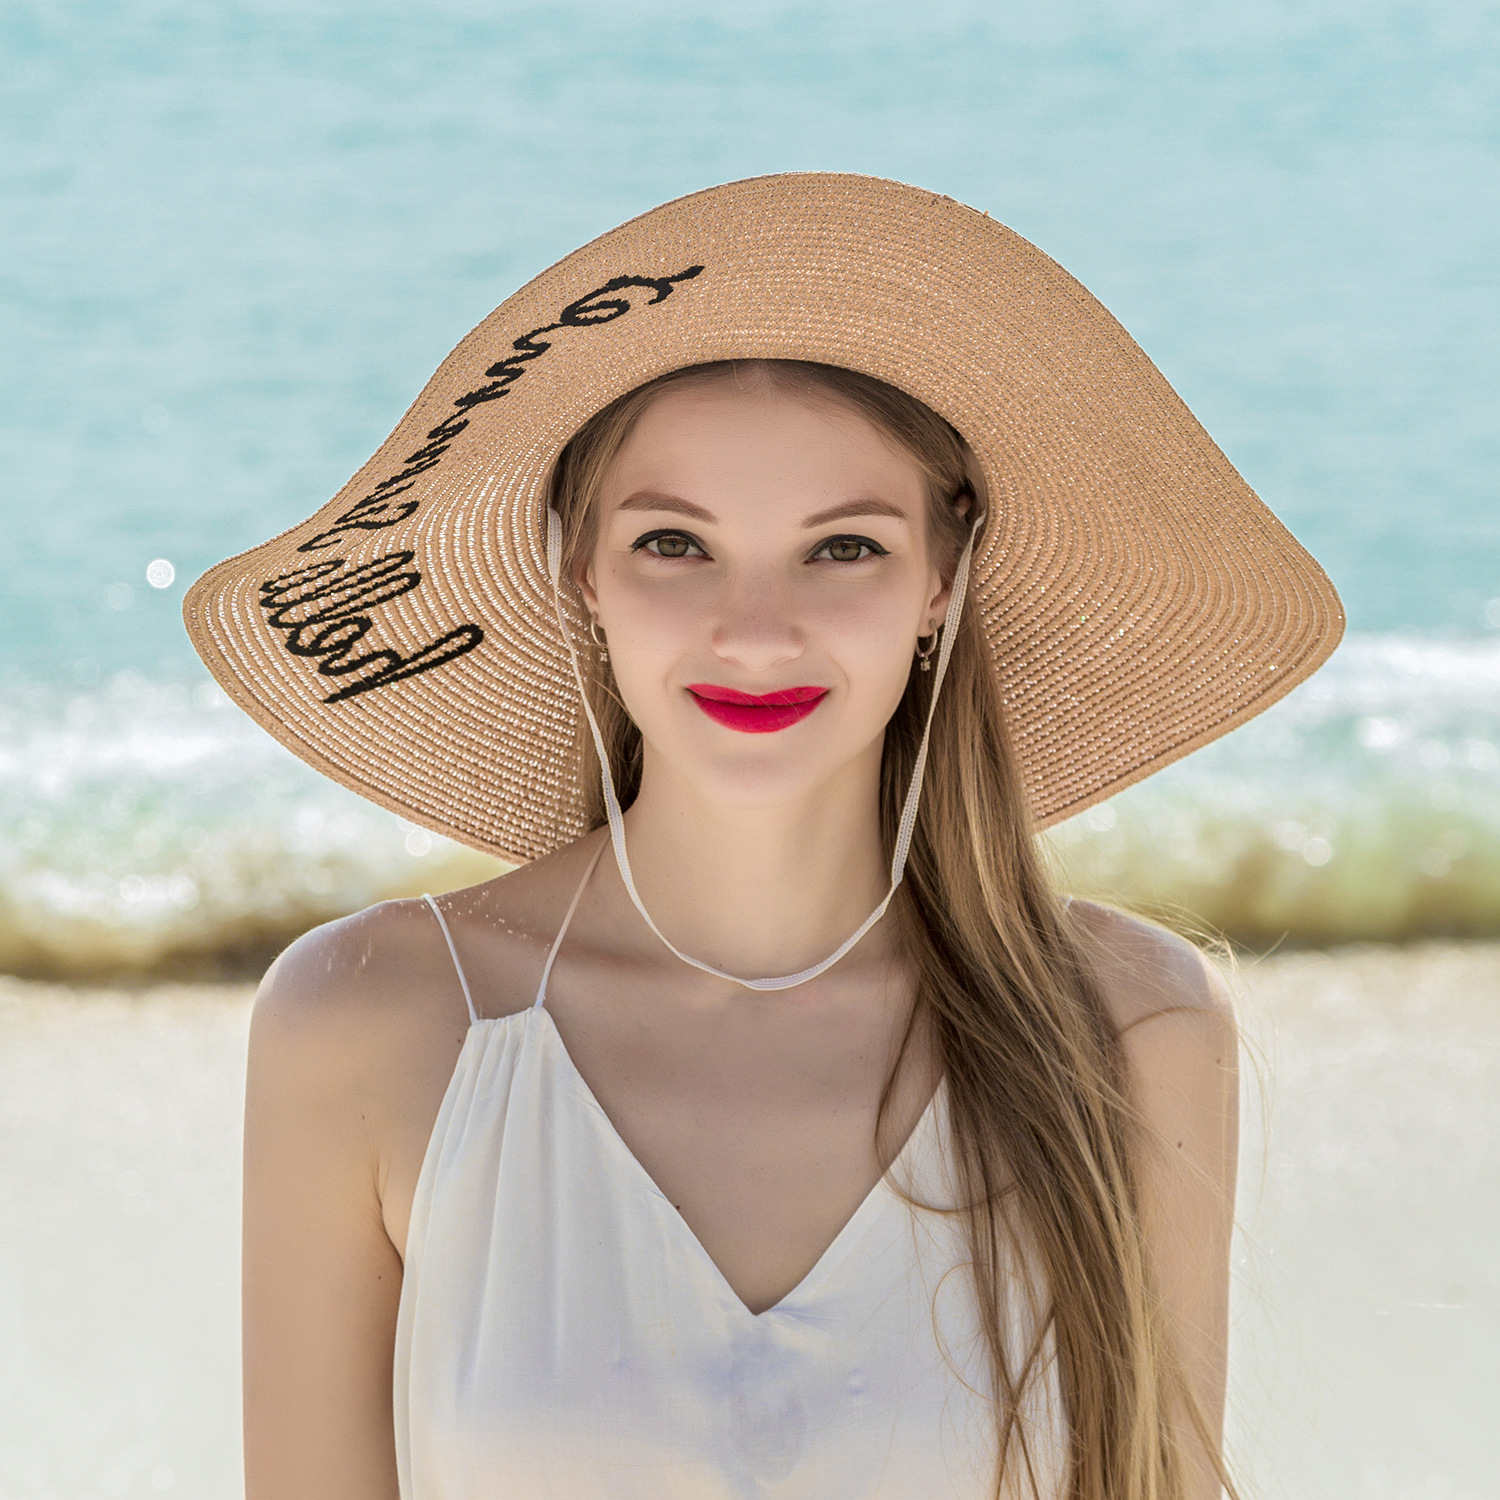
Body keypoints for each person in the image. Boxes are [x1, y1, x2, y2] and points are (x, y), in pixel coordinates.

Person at [184, 173, 1344, 1500]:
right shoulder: (370, 1019)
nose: (753, 630)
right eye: (675, 544)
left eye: (841, 549)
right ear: (580, 572)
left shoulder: (1129, 1029)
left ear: (943, 579)